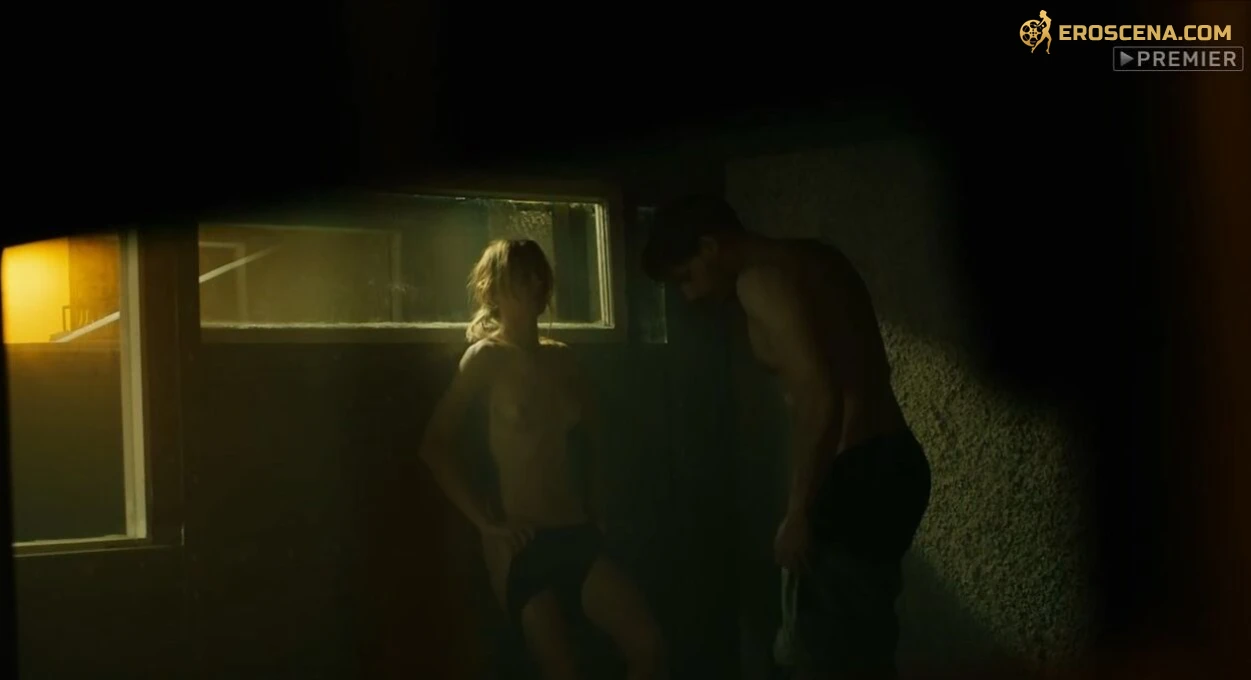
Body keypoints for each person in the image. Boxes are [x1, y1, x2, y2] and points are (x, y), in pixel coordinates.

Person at [642, 196, 931, 679]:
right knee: (865, 643)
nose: (689, 295)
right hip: (895, 461)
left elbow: (820, 394)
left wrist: (799, 510)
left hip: (855, 473)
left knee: (828, 654)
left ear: (710, 247)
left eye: (686, 276)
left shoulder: (759, 281)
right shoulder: (818, 258)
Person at [419, 239, 666, 680]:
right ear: (494, 289)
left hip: (576, 532)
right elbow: (434, 445)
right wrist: (486, 525)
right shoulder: (486, 358)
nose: (536, 284)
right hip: (523, 542)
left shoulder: (562, 358)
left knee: (648, 645)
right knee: (562, 672)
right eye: (522, 276)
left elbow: (596, 438)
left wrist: (600, 506)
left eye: (540, 274)